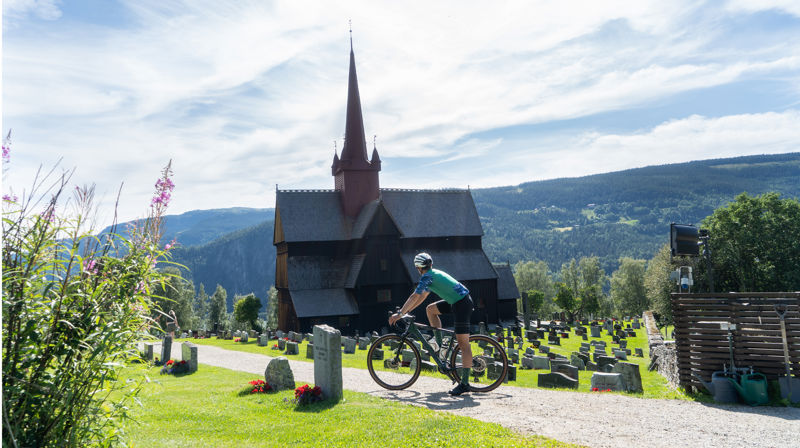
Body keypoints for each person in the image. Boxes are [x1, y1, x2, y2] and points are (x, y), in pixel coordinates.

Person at [389, 252, 474, 396]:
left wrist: (400, 314)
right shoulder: (431, 275)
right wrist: (407, 310)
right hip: (456, 301)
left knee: (463, 344)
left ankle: (465, 384)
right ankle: (440, 347)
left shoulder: (427, 277)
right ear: (430, 264)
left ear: (418, 268)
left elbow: (414, 296)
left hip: (462, 304)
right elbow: (421, 297)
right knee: (430, 309)